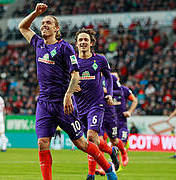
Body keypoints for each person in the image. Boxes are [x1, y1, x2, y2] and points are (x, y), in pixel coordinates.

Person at [18, 3, 117, 180]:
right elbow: (22, 27)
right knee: (42, 143)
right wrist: (36, 13)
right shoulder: (38, 43)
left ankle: (108, 168)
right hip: (44, 103)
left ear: (57, 29)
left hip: (63, 105)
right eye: (42, 23)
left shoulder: (65, 48)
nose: (44, 25)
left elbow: (75, 74)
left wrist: (68, 95)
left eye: (48, 23)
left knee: (81, 143)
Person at [73, 28, 119, 180]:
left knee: (91, 136)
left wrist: (110, 94)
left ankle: (91, 174)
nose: (83, 42)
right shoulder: (72, 61)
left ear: (91, 43)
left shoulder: (100, 60)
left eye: (86, 40)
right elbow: (64, 79)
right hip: (79, 107)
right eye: (80, 40)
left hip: (96, 104)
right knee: (91, 142)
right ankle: (111, 151)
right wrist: (71, 86)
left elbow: (109, 77)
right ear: (76, 43)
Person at [95, 74, 129, 176]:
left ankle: (123, 152)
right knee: (99, 141)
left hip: (110, 114)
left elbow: (120, 92)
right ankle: (102, 166)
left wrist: (108, 92)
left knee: (114, 140)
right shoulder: (93, 76)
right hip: (97, 111)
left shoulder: (111, 78)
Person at [111, 72, 138, 147]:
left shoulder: (124, 90)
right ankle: (115, 158)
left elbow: (135, 100)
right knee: (114, 143)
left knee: (122, 143)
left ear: (118, 79)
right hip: (111, 121)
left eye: (115, 78)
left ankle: (123, 155)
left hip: (122, 121)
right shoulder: (106, 90)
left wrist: (129, 111)